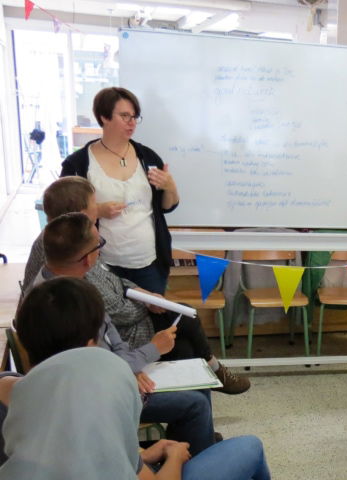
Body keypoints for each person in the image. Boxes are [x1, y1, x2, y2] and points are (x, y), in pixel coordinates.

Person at [0, 278, 271, 480]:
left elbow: (85, 457)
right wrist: (175, 457)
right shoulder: (105, 390)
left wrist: (145, 455)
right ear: (92, 342)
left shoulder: (8, 388)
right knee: (251, 446)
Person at [21, 177, 248, 394]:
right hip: (120, 339)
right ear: (78, 213)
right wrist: (147, 314)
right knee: (186, 326)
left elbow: (111, 279)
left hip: (119, 337)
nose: (98, 207)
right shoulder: (71, 257)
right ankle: (214, 374)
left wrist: (143, 294)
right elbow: (113, 320)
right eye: (94, 203)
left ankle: (209, 382)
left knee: (186, 338)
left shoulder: (75, 241)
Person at [32, 213, 215, 455]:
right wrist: (152, 350)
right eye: (99, 244)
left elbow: (112, 339)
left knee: (195, 372)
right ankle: (191, 456)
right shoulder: (63, 306)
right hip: (99, 396)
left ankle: (192, 446)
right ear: (87, 258)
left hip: (114, 374)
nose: (101, 250)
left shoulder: (72, 284)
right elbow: (100, 369)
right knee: (196, 403)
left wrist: (133, 365)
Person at [60, 86, 179, 294]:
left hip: (149, 263)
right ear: (104, 117)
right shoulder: (78, 164)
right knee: (107, 314)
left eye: (135, 117)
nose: (132, 122)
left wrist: (170, 187)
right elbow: (63, 213)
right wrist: (97, 210)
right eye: (124, 116)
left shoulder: (147, 157)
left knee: (154, 313)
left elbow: (167, 206)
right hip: (101, 265)